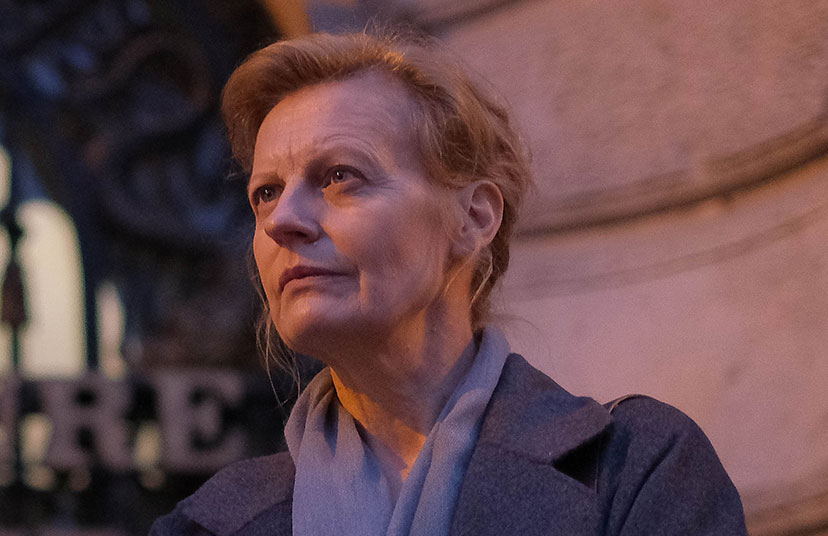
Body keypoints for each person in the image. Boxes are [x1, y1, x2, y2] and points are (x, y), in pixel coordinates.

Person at [150, 31, 748, 535]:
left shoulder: (636, 470)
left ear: (473, 218)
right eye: (266, 192)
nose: (281, 220)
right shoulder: (203, 527)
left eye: (338, 177)